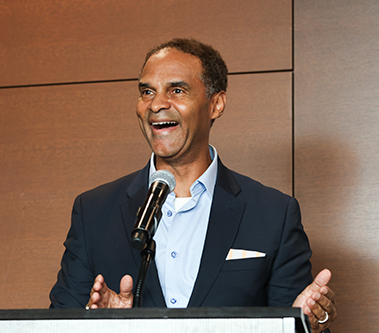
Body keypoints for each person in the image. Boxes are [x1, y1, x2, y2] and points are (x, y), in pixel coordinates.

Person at [49, 38, 337, 332]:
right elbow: (53, 325)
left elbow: (294, 320)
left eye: (176, 90)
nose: (157, 104)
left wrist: (305, 326)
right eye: (147, 91)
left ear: (216, 104)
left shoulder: (274, 213)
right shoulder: (94, 212)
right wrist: (98, 323)